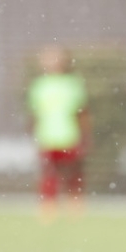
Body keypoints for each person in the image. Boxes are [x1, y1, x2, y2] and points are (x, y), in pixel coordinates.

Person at [27, 44, 90, 221]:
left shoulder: (73, 84)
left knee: (73, 173)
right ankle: (49, 207)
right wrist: (33, 133)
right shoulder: (39, 85)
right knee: (48, 173)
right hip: (47, 137)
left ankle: (75, 205)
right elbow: (34, 113)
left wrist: (85, 135)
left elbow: (82, 112)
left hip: (69, 136)